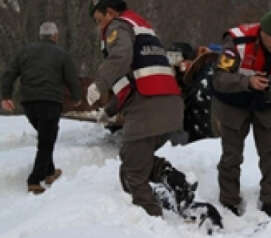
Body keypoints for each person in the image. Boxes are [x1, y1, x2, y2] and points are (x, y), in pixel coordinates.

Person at [87, 0, 185, 217]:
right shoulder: (142, 28)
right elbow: (132, 83)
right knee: (132, 158)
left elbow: (120, 57)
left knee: (133, 170)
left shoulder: (118, 26)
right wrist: (109, 111)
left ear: (110, 13)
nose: (99, 27)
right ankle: (173, 181)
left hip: (148, 108)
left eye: (99, 20)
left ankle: (151, 221)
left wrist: (99, 83)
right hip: (170, 105)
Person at [212, 10, 271, 216]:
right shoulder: (237, 41)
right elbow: (219, 79)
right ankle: (229, 201)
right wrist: (247, 82)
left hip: (267, 105)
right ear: (262, 32)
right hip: (234, 102)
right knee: (232, 155)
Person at [1, 22, 82, 194]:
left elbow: (9, 73)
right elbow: (72, 78)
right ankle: (34, 180)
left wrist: (6, 96)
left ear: (40, 35)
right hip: (50, 102)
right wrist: (76, 98)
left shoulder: (24, 51)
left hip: (29, 102)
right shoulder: (61, 54)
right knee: (46, 141)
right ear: (55, 35)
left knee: (46, 137)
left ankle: (50, 172)